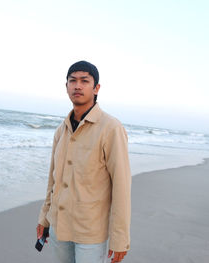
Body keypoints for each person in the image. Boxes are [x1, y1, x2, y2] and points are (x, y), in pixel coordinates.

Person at [36, 60, 131, 263]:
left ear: (96, 88)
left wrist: (120, 238)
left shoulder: (111, 128)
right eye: (73, 81)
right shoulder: (61, 130)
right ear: (67, 87)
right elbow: (53, 181)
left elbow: (121, 186)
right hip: (58, 227)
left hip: (90, 233)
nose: (77, 85)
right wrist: (44, 218)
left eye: (84, 81)